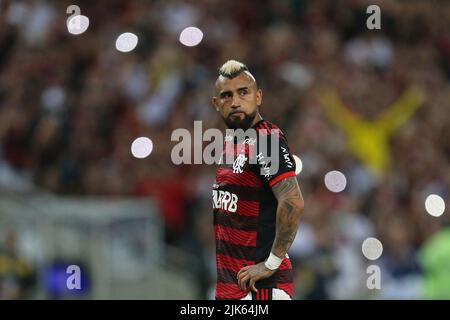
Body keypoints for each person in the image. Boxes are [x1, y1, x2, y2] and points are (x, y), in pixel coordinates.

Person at [211, 60, 305, 300]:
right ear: (216, 104)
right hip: (234, 289)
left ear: (258, 96)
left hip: (261, 288)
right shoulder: (231, 144)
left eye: (243, 92)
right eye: (226, 95)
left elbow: (293, 202)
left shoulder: (266, 139)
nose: (235, 102)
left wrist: (270, 264)